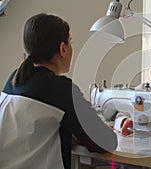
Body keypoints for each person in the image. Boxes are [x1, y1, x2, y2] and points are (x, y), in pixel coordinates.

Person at [1, 13, 117, 169]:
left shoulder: (14, 80)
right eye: (70, 42)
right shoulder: (60, 90)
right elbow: (105, 141)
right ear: (63, 49)